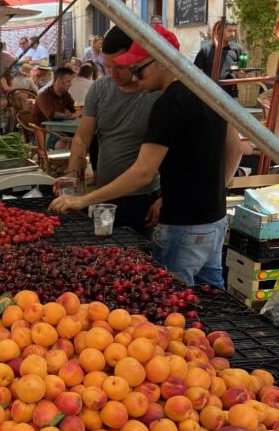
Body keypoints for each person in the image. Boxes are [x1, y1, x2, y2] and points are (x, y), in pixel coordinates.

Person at [51, 26, 242, 287]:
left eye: (137, 69)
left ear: (162, 61)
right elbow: (235, 148)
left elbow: (143, 172)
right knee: (214, 305)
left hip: (180, 226)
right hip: (214, 222)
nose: (135, 77)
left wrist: (83, 199)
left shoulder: (167, 103)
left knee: (172, 305)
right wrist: (213, 193)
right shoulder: (209, 89)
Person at [61, 26, 162, 237]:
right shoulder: (100, 88)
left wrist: (166, 197)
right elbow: (81, 137)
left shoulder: (157, 94)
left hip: (143, 197)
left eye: (119, 67)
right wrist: (72, 174)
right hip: (104, 194)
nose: (112, 73)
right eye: (107, 67)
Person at [194, 20, 241, 98]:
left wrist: (241, 75)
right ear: (219, 31)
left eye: (234, 31)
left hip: (231, 97)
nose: (233, 34)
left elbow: (241, 71)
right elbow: (195, 72)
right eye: (229, 31)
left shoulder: (237, 49)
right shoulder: (206, 50)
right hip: (209, 96)